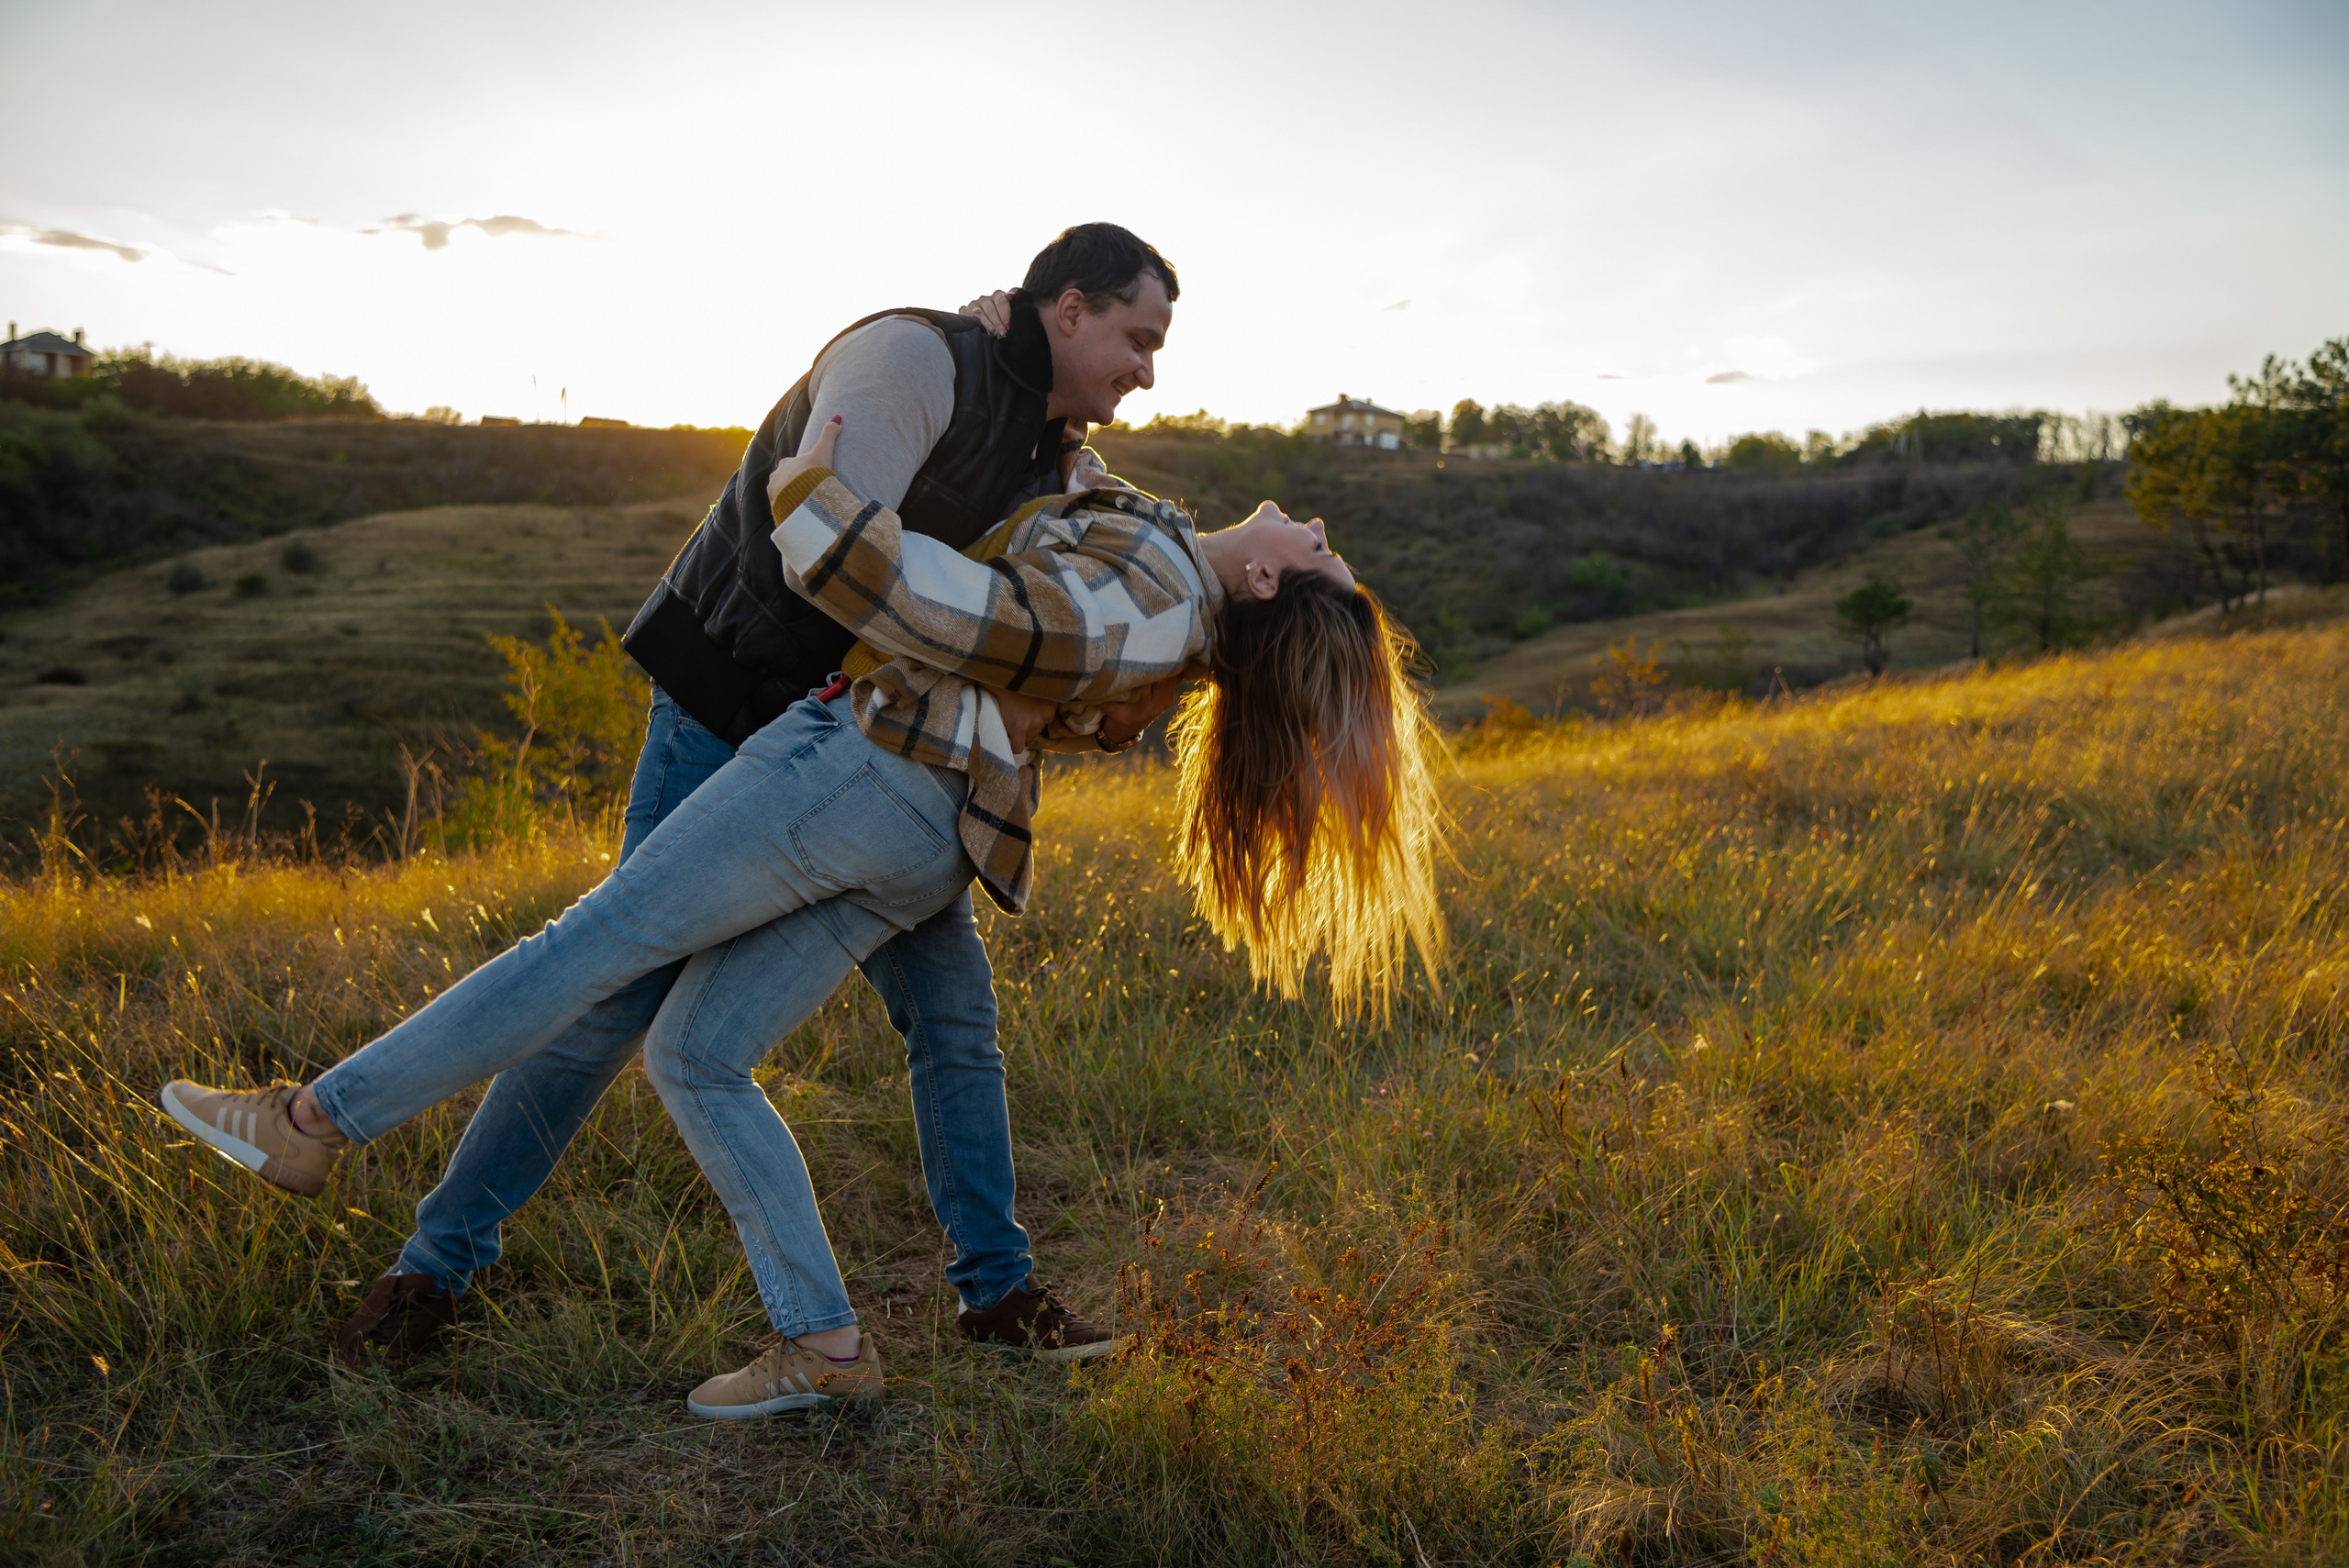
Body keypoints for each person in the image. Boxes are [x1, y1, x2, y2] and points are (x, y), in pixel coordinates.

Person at [161, 412, 1447, 1418]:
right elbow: (1088, 538)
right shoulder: (1162, 565)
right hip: (924, 840)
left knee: (594, 943)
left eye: (1320, 551)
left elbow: (966, 614)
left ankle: (308, 1120)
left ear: (1265, 580)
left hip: (858, 773)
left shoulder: (1151, 597)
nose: (1318, 522)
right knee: (696, 1054)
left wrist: (811, 498)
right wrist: (1059, 442)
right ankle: (825, 1345)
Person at [319, 223, 1186, 1373]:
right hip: (729, 705)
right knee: (609, 994)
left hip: (875, 761)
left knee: (953, 1017)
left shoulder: (1053, 452)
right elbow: (829, 549)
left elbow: (1121, 552)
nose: (1148, 369)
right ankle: (433, 1267)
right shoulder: (917, 359)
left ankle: (997, 1291)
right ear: (1067, 308)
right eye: (1137, 337)